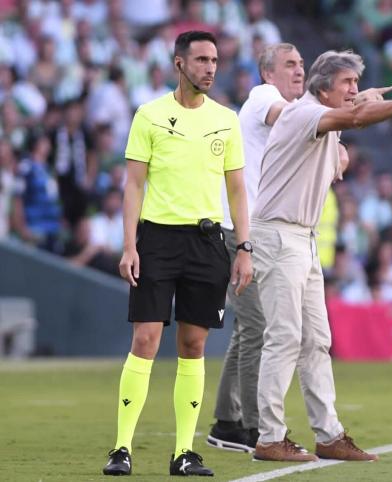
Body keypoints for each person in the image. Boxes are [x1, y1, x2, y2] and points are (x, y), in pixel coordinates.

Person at [250, 49, 392, 462]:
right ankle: (269, 436)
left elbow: (351, 108)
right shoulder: (304, 114)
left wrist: (364, 94)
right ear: (323, 89)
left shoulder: (322, 108)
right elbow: (353, 116)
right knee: (284, 337)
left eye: (356, 83)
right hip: (279, 235)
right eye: (347, 83)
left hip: (303, 238)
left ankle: (329, 434)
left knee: (317, 340)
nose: (353, 91)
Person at [102, 30, 252, 477]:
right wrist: (129, 245)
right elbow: (133, 184)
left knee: (194, 345)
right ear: (179, 64)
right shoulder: (149, 115)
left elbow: (238, 189)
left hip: (208, 243)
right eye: (202, 59)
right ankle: (121, 448)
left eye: (215, 60)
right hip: (158, 241)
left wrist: (243, 247)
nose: (210, 67)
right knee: (145, 340)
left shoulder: (226, 119)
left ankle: (184, 452)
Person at [207, 42, 305, 454]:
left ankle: (227, 421)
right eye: (289, 64)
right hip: (239, 232)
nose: (299, 70)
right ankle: (253, 426)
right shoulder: (265, 97)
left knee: (250, 329)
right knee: (259, 329)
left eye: (301, 63)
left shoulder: (287, 108)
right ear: (267, 74)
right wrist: (339, 113)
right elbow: (289, 117)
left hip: (244, 229)